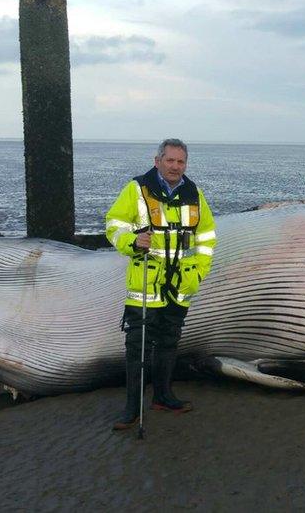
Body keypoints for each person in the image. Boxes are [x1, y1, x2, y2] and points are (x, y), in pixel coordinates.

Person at [105, 138, 216, 431]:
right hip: (145, 286)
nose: (175, 167)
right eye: (170, 161)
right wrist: (132, 241)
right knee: (137, 348)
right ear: (158, 161)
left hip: (179, 286)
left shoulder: (195, 194)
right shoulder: (137, 190)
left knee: (169, 343)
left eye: (180, 162)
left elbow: (206, 238)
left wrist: (198, 274)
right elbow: (113, 224)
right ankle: (131, 409)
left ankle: (164, 396)